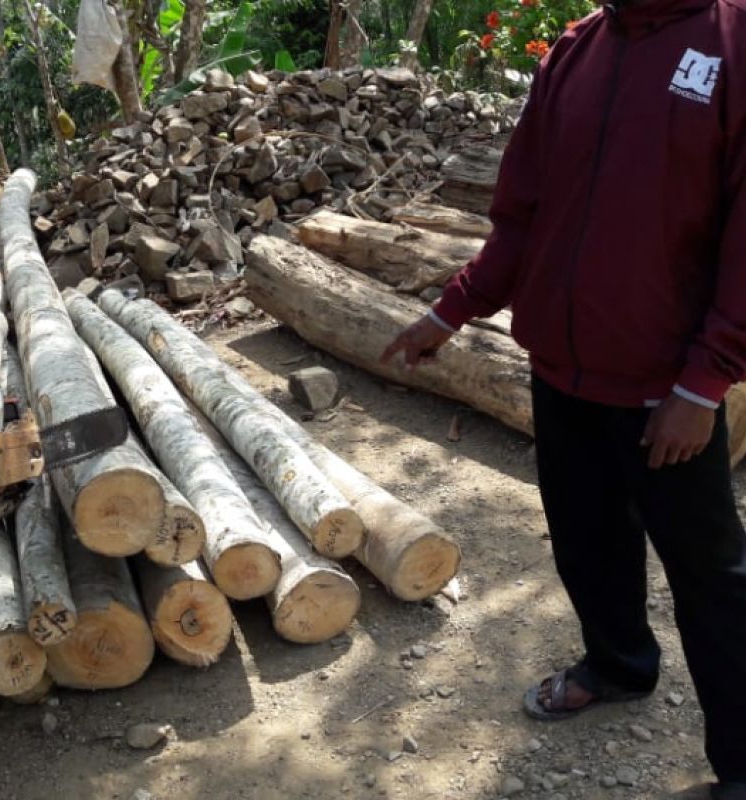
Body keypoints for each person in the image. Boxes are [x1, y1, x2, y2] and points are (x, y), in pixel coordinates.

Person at [384, 0, 745, 796]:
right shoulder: (577, 49)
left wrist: (704, 381)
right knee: (587, 540)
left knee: (712, 576)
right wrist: (451, 310)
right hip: (561, 370)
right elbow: (522, 213)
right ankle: (618, 665)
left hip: (666, 388)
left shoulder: (734, 42)